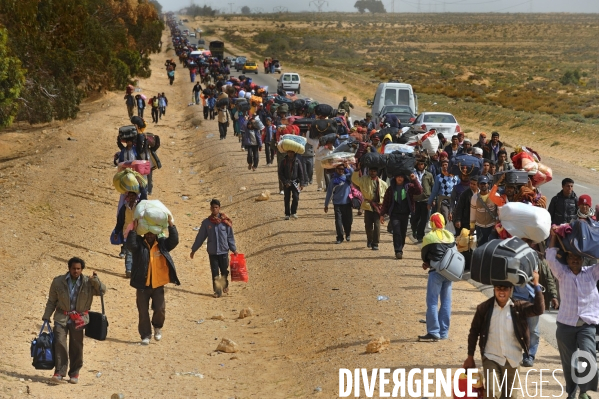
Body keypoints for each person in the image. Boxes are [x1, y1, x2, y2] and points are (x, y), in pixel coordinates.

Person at [463, 271, 544, 399]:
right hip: (491, 357)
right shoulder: (483, 308)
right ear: (494, 289)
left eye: (505, 288)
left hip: (513, 359)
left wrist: (536, 284)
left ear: (511, 290)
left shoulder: (519, 308)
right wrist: (470, 356)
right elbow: (474, 332)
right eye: (498, 288)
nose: (502, 292)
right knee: (491, 394)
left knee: (510, 397)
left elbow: (539, 309)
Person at [547, 228, 599, 399]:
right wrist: (554, 235)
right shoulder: (562, 274)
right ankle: (571, 392)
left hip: (586, 325)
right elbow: (550, 256)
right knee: (569, 363)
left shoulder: (592, 273)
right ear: (567, 259)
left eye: (578, 257)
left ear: (583, 259)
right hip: (565, 325)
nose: (574, 260)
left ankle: (584, 391)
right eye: (571, 257)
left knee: (588, 355)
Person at [43, 257, 106, 384]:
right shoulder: (58, 282)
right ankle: (59, 372)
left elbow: (102, 291)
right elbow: (51, 301)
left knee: (76, 345)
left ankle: (75, 372)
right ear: (69, 268)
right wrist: (46, 316)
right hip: (61, 317)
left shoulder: (88, 282)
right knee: (60, 342)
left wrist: (96, 281)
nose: (75, 271)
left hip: (79, 319)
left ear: (82, 269)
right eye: (73, 268)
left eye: (78, 269)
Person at [127, 215, 179, 345]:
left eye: (152, 233)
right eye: (147, 233)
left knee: (160, 309)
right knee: (143, 312)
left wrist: (171, 225)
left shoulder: (162, 245)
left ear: (156, 233)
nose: (149, 236)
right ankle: (146, 335)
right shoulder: (139, 246)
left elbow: (174, 241)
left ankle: (157, 327)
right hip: (142, 285)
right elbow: (130, 244)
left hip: (158, 285)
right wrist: (134, 228)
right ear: (144, 233)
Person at [190, 199, 238, 298]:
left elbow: (230, 237)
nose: (214, 209)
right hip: (213, 252)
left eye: (216, 207)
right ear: (210, 208)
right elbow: (200, 237)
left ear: (219, 208)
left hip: (224, 251)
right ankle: (217, 291)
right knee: (215, 272)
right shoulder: (206, 223)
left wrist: (234, 249)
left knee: (224, 270)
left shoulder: (225, 222)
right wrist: (194, 249)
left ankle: (224, 284)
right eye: (213, 207)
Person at [419, 213, 455, 341]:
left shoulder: (429, 237)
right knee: (446, 302)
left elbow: (424, 255)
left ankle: (434, 331)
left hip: (435, 272)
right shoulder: (450, 236)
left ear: (432, 223)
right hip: (449, 273)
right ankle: (444, 332)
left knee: (432, 301)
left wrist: (427, 263)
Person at [380, 173, 422, 259]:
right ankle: (398, 251)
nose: (399, 178)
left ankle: (400, 247)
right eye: (398, 176)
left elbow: (419, 190)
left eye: (401, 177)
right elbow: (385, 203)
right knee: (396, 232)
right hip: (394, 214)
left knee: (403, 233)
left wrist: (414, 179)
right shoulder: (391, 189)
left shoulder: (409, 187)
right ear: (395, 178)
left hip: (405, 214)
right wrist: (382, 214)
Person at [352, 167, 389, 251]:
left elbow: (387, 197)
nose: (372, 172)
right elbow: (354, 180)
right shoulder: (364, 180)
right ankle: (370, 239)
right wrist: (357, 170)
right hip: (368, 206)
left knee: (377, 226)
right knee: (368, 226)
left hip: (378, 208)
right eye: (371, 171)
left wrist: (386, 208)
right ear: (369, 171)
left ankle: (375, 243)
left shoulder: (383, 184)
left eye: (374, 171)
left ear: (377, 172)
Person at [113, 189, 147, 277]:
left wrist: (142, 187)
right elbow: (120, 221)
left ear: (136, 196)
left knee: (136, 252)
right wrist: (116, 232)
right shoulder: (124, 207)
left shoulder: (139, 206)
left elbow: (144, 197)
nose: (131, 197)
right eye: (130, 196)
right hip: (127, 232)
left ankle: (135, 270)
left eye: (133, 196)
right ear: (127, 197)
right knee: (128, 251)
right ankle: (128, 270)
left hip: (137, 232)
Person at [324, 164, 354, 244]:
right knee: (338, 221)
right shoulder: (333, 180)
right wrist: (326, 204)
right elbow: (329, 193)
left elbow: (353, 174)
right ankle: (340, 237)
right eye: (339, 169)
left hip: (347, 203)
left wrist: (348, 166)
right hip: (337, 204)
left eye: (342, 169)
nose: (341, 170)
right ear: (336, 169)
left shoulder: (347, 178)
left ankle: (348, 233)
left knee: (348, 221)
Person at [428, 159, 459, 225]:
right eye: (443, 165)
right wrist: (429, 202)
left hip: (453, 201)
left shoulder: (456, 177)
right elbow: (434, 191)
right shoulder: (439, 177)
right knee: (446, 217)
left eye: (446, 165)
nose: (445, 166)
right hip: (443, 201)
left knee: (453, 218)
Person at [278, 150, 308, 220]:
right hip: (286, 183)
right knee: (287, 198)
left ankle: (293, 212)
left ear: (294, 153)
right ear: (287, 153)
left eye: (292, 153)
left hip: (295, 182)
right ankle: (287, 214)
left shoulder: (297, 161)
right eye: (289, 152)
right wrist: (285, 182)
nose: (290, 154)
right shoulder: (283, 161)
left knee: (296, 197)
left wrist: (302, 183)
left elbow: (301, 173)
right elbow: (280, 173)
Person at [411, 158, 434, 244]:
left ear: (424, 165)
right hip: (415, 199)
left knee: (424, 219)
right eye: (419, 164)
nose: (421, 166)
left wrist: (433, 199)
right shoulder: (413, 174)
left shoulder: (429, 175)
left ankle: (420, 235)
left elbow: (433, 186)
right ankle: (414, 230)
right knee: (415, 218)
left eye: (422, 164)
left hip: (426, 199)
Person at [469, 175, 497, 246]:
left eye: (485, 183)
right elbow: (473, 213)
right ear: (478, 185)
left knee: (491, 246)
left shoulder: (495, 195)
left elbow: (499, 211)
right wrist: (472, 227)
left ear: (488, 184)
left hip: (492, 226)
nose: (483, 185)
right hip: (480, 227)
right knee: (481, 246)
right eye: (481, 184)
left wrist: (497, 224)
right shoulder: (474, 198)